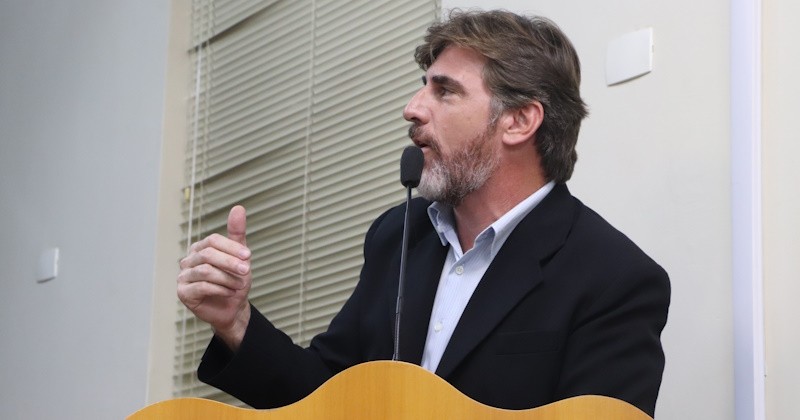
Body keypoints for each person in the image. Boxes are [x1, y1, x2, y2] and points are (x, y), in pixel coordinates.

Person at [177, 10, 670, 418]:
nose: (412, 108)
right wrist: (236, 322)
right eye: (422, 87)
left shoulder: (615, 278)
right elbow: (327, 397)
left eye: (444, 91)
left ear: (519, 121)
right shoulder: (398, 235)